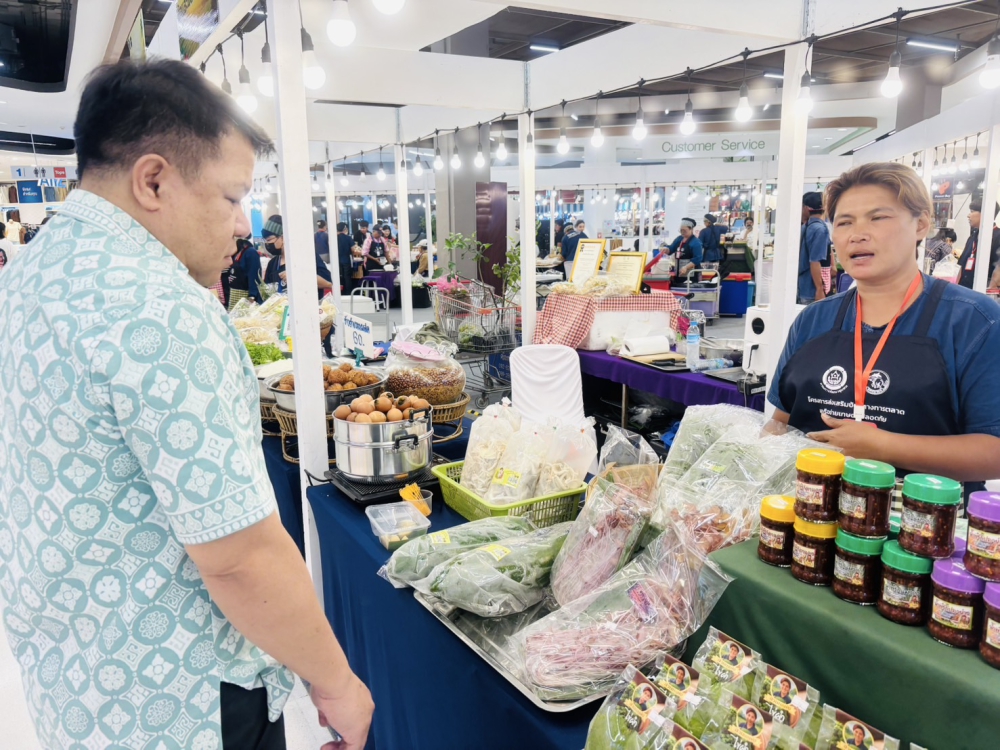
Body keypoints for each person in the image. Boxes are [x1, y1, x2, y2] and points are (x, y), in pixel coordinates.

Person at [0, 59, 373, 750]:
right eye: (231, 197)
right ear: (153, 181)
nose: (243, 224)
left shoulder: (29, 278)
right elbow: (240, 557)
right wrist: (336, 684)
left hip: (79, 683)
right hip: (182, 700)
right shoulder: (158, 309)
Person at [769, 163, 1000, 490]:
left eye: (877, 218)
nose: (857, 234)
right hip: (812, 512)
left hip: (921, 517)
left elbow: (993, 451)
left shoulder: (973, 320)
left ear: (921, 224)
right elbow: (780, 424)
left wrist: (883, 446)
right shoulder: (813, 320)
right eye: (844, 222)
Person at [262, 214, 334, 299]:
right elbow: (267, 291)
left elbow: (328, 283)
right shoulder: (272, 263)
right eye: (265, 241)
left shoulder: (307, 257)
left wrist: (298, 276)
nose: (267, 244)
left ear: (283, 237)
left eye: (269, 240)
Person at [958, 200, 1000, 288]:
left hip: (983, 292)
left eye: (972, 211)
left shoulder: (997, 236)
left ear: (985, 213)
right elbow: (961, 263)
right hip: (965, 289)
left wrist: (990, 290)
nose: (968, 215)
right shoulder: (973, 236)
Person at [799, 191, 831, 303]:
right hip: (812, 288)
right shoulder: (819, 230)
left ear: (806, 208)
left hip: (804, 284)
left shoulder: (806, 226)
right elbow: (815, 261)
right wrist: (819, 289)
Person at [228, 236, 264, 308]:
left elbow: (254, 276)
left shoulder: (251, 252)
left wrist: (252, 296)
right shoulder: (237, 252)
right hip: (233, 295)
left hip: (244, 296)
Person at [336, 221, 355, 294]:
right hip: (346, 259)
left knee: (339, 276)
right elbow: (353, 249)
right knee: (347, 277)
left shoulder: (334, 238)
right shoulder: (348, 238)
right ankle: (348, 293)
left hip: (337, 260)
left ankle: (340, 292)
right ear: (345, 229)